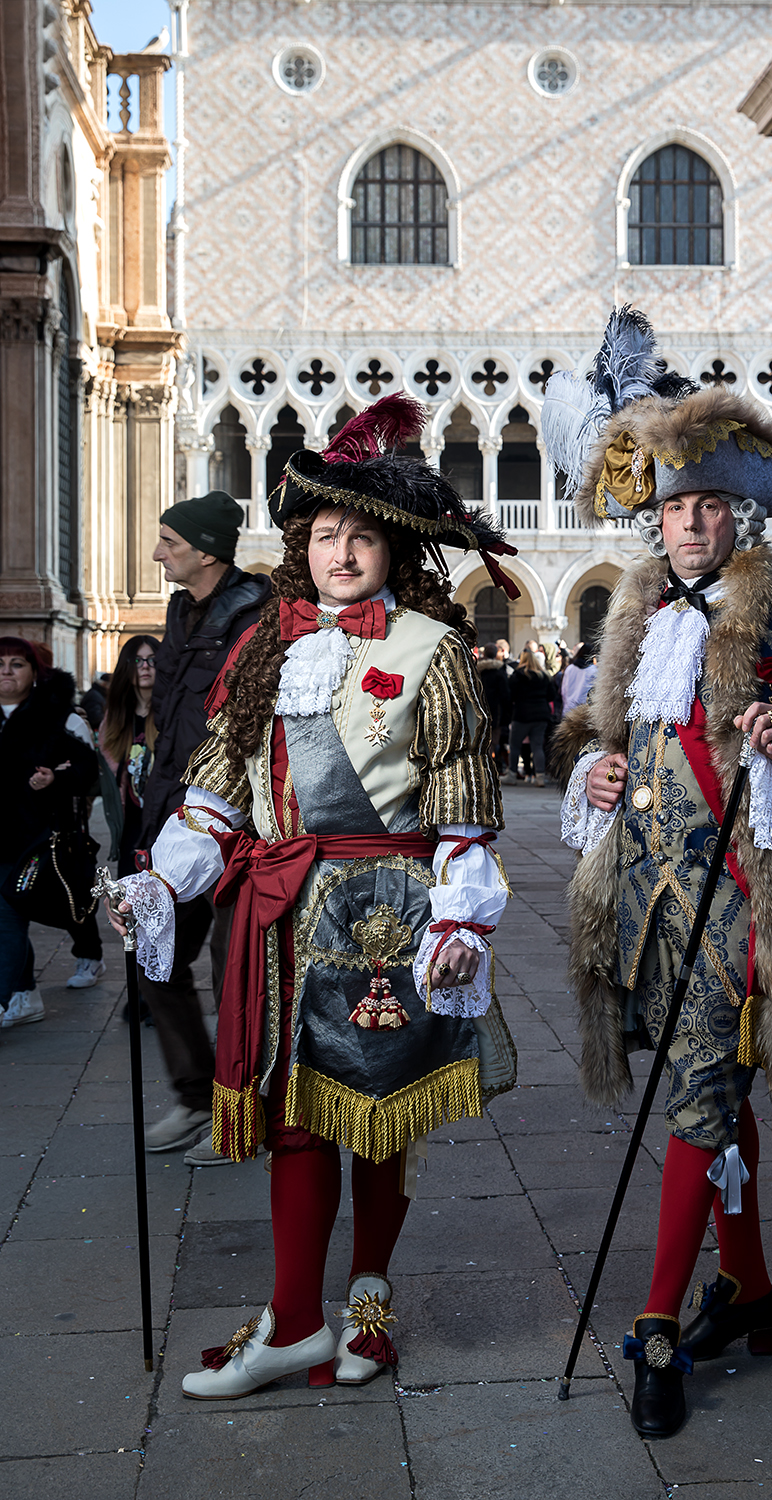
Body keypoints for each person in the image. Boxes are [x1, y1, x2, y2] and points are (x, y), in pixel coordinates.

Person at [108, 394, 518, 1399]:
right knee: (291, 1120)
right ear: (302, 544)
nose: (342, 551)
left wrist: (463, 917)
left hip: (386, 920)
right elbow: (213, 797)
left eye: (361, 535)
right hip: (277, 920)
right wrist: (158, 884)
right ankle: (294, 1322)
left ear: (392, 550)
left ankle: (367, 1313)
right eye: (325, 534)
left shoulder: (432, 651)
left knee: (378, 1124)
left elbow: (463, 805)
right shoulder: (260, 649)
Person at [543, 307, 772, 1441]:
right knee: (714, 1096)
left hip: (737, 904)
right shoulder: (633, 612)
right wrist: (592, 776)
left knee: (694, 1094)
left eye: (707, 506)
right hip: (640, 903)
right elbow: (610, 743)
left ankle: (651, 1321)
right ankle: (751, 1291)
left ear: (738, 513)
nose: (688, 524)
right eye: (674, 507)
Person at [138, 491, 272, 1158]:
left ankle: (238, 1113)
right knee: (154, 960)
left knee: (234, 977)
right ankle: (195, 1098)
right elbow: (169, 718)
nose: (158, 553)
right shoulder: (180, 610)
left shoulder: (260, 614)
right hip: (174, 815)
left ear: (207, 550)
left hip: (237, 824)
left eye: (169, 540)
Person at [0, 638, 101, 1025]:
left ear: (34, 673)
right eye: (1, 664)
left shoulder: (56, 716)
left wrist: (54, 780)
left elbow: (87, 770)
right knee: (7, 920)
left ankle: (11, 995)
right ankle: (23, 994)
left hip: (35, 839)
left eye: (17, 664)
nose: (7, 671)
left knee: (11, 918)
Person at [99, 636, 160, 879]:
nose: (145, 666)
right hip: (131, 831)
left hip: (166, 828)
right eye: (137, 660)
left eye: (152, 660)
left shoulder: (173, 716)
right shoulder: (115, 721)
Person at [504, 647, 555, 786]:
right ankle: (540, 776)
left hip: (522, 714)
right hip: (540, 714)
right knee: (537, 746)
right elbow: (551, 695)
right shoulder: (543, 676)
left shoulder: (518, 675)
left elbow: (510, 695)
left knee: (514, 745)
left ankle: (512, 775)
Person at [476, 643, 512, 767]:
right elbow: (505, 694)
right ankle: (490, 765)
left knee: (480, 739)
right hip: (496, 712)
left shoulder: (476, 671)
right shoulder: (499, 672)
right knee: (493, 740)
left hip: (478, 710)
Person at [560, 643, 599, 714]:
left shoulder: (569, 668)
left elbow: (564, 690)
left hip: (568, 709)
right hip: (583, 711)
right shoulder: (593, 671)